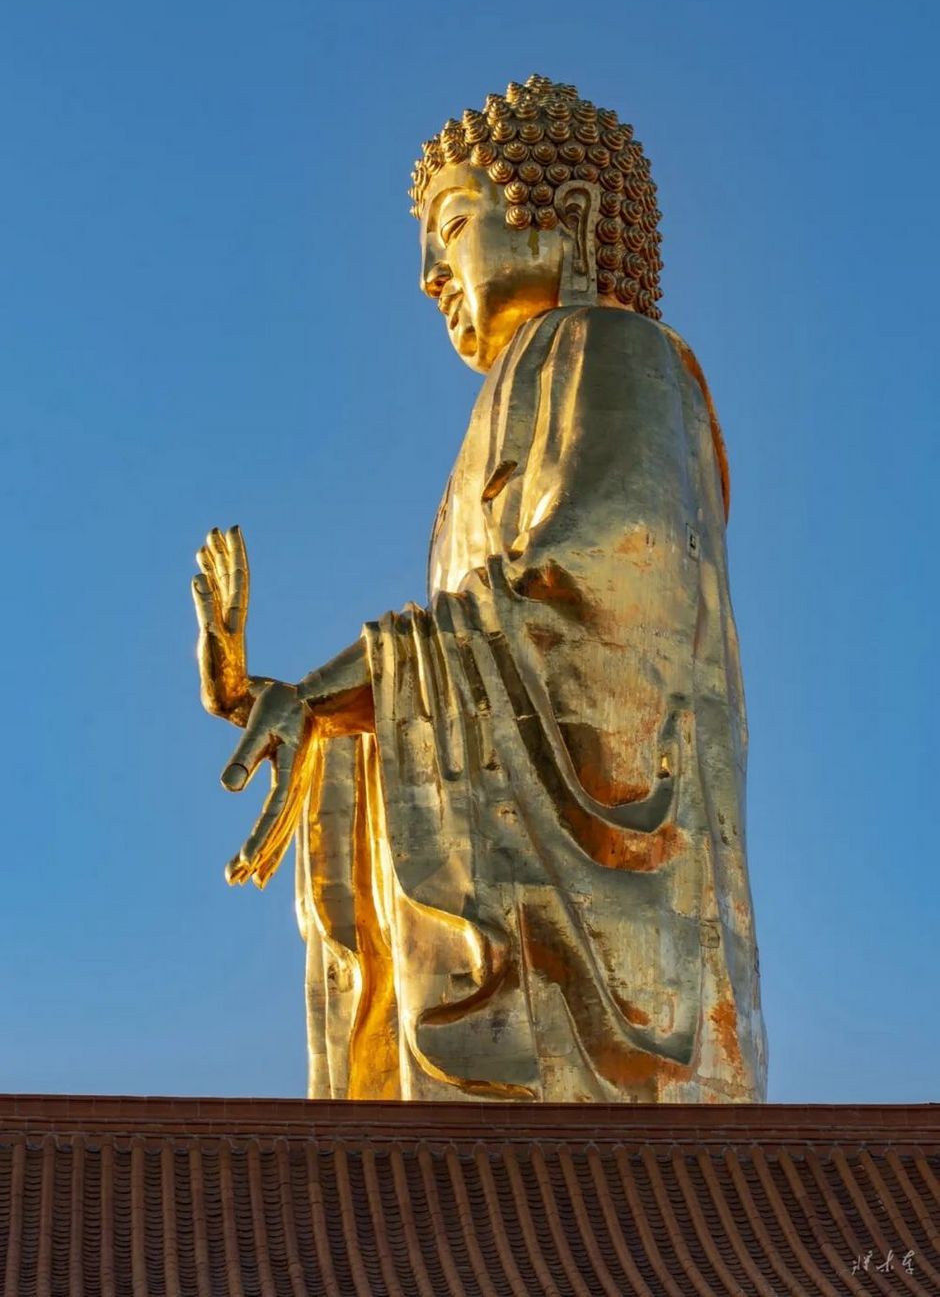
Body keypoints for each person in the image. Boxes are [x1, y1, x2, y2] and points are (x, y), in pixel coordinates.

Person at [193, 75, 767, 1102]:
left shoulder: (613, 350)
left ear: (569, 216)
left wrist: (340, 688)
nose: (428, 275)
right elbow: (470, 645)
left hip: (604, 881)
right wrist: (328, 711)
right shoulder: (507, 401)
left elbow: (596, 586)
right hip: (514, 861)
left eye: (454, 225)